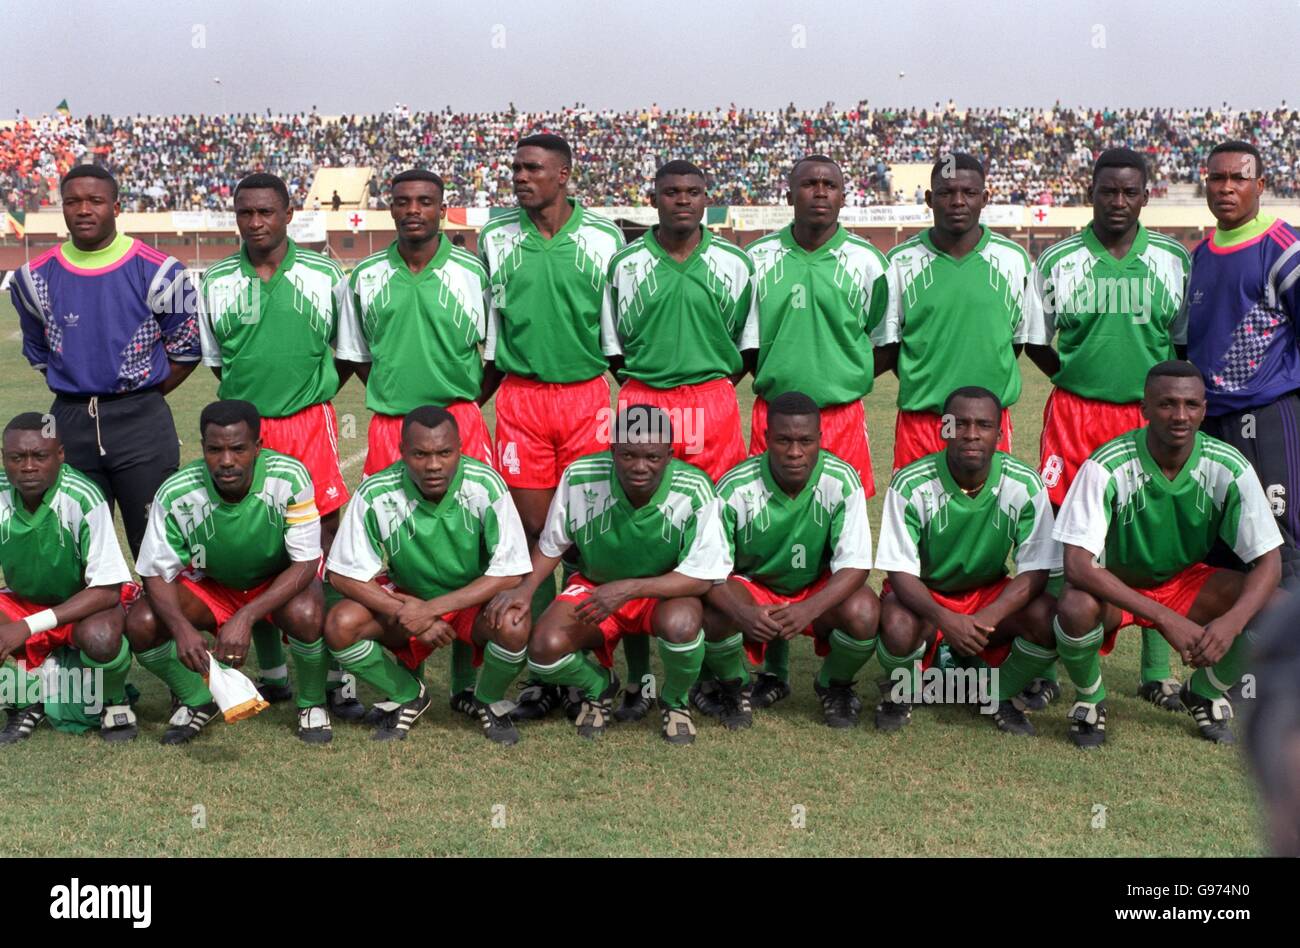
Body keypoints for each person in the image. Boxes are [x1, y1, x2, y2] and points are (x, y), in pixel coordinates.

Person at [1024, 147, 1193, 711]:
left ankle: (1155, 668)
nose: (1118, 201)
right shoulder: (1057, 260)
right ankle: (1046, 660)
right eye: (1107, 191)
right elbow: (1035, 341)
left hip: (1146, 418)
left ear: (1146, 195)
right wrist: (1077, 378)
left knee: (1153, 531)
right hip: (1075, 414)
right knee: (1059, 527)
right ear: (1090, 191)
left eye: (1129, 192)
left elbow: (1182, 345)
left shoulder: (1173, 260)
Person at [197, 172, 367, 702]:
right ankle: (272, 672)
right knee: (259, 545)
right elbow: (218, 364)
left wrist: (309, 395)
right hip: (247, 430)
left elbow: (344, 353)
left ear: (288, 214)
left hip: (307, 423)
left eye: (265, 212)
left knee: (324, 539)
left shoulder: (324, 274)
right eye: (245, 213)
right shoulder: (217, 280)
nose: (255, 222)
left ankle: (338, 671)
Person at [1052, 362, 1284, 747]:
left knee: (1279, 608)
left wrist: (1230, 624)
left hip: (1182, 582)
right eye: (1167, 404)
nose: (1180, 416)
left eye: (1191, 405)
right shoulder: (1106, 465)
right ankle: (1090, 699)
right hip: (1116, 585)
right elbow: (1077, 565)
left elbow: (1269, 562)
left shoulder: (1228, 466)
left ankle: (1205, 692)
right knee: (1074, 606)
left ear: (1204, 409)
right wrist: (1166, 618)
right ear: (1144, 408)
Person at [477, 133, 624, 719]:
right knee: (537, 530)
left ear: (564, 175)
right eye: (515, 167)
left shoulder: (604, 238)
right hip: (521, 397)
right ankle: (539, 664)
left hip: (587, 396)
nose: (520, 176)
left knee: (586, 530)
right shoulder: (494, 238)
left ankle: (583, 655)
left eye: (533, 168)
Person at [486, 405, 732, 745]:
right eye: (628, 454)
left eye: (653, 457)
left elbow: (703, 576)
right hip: (595, 587)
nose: (640, 467)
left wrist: (628, 589)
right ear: (612, 449)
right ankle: (599, 685)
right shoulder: (581, 476)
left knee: (682, 624)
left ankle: (675, 702)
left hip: (662, 593)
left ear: (670, 455)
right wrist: (524, 591)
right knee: (543, 649)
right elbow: (552, 545)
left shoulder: (694, 488)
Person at [742, 156, 892, 695]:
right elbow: (748, 343)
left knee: (837, 537)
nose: (819, 193)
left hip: (842, 417)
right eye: (809, 184)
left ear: (845, 195)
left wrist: (840, 381)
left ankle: (834, 669)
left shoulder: (868, 262)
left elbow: (881, 343)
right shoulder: (757, 259)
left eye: (830, 184)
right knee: (772, 535)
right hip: (773, 417)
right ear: (791, 192)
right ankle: (774, 667)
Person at [9, 165, 199, 556]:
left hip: (142, 422)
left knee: (156, 546)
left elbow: (187, 348)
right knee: (69, 546)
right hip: (68, 420)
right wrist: (79, 385)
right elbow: (38, 350)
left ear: (115, 206)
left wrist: (136, 394)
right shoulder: (31, 278)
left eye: (94, 201)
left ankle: (162, 618)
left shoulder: (163, 272)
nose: (83, 210)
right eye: (72, 201)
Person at [324, 406, 532, 743]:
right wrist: (406, 611)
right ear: (402, 451)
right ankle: (408, 693)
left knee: (513, 623)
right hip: (408, 597)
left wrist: (430, 611)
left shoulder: (485, 484)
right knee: (340, 624)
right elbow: (342, 575)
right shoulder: (376, 491)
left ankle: (488, 700)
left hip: (469, 600)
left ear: (459, 449)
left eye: (444, 453)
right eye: (420, 454)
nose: (433, 465)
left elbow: (509, 574)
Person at [127, 400, 330, 745]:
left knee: (307, 611)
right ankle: (198, 699)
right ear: (202, 448)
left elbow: (306, 562)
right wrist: (181, 629)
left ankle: (312, 703)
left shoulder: (289, 477)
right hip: (212, 585)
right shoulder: (177, 491)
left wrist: (246, 616)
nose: (226, 461)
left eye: (238, 449)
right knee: (142, 622)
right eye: (214, 449)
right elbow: (154, 572)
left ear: (257, 447)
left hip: (274, 582)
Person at [873, 387, 1061, 735]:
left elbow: (1036, 569)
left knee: (1050, 617)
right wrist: (947, 619)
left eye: (983, 425)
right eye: (959, 424)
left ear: (999, 434)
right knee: (897, 623)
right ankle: (902, 692)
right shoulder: (910, 484)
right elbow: (899, 572)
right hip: (927, 597)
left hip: (986, 596)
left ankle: (996, 693)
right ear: (943, 429)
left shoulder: (1023, 483)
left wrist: (987, 617)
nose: (971, 434)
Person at [701, 392, 879, 727]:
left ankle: (833, 684)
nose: (795, 452)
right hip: (756, 588)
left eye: (805, 441)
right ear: (766, 438)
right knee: (715, 609)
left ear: (820, 440)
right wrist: (743, 612)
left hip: (815, 589)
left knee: (864, 610)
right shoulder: (734, 487)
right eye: (783, 440)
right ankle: (734, 686)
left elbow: (855, 565)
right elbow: (708, 572)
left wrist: (808, 609)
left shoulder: (841, 479)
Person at [1182, 140, 1300, 591]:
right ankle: (1231, 662)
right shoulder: (1200, 255)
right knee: (1221, 547)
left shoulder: (1284, 249)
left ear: (1260, 185)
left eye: (1238, 178)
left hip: (1269, 416)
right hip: (1210, 421)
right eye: (1217, 178)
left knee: (1279, 543)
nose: (1226, 188)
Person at [879, 153, 1039, 471]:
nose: (957, 201)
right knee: (917, 516)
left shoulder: (1014, 260)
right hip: (922, 422)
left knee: (987, 517)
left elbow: (1016, 340)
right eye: (946, 192)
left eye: (968, 192)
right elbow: (891, 343)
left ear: (985, 198)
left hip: (987, 423)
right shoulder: (899, 262)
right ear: (929, 198)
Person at [0, 412, 136, 744]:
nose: (28, 466)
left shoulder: (83, 496)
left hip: (85, 606)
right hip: (27, 601)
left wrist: (27, 627)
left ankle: (112, 702)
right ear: (4, 459)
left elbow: (106, 590)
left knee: (102, 638)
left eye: (40, 456)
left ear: (60, 455)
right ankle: (24, 702)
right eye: (17, 458)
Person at [349, 169, 494, 474]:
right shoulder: (365, 275)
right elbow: (357, 355)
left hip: (459, 420)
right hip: (391, 424)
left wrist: (467, 403)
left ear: (441, 211)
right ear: (391, 209)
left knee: (467, 516)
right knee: (388, 518)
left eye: (424, 202)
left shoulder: (474, 273)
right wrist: (392, 392)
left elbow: (497, 354)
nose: (413, 209)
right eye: (402, 202)